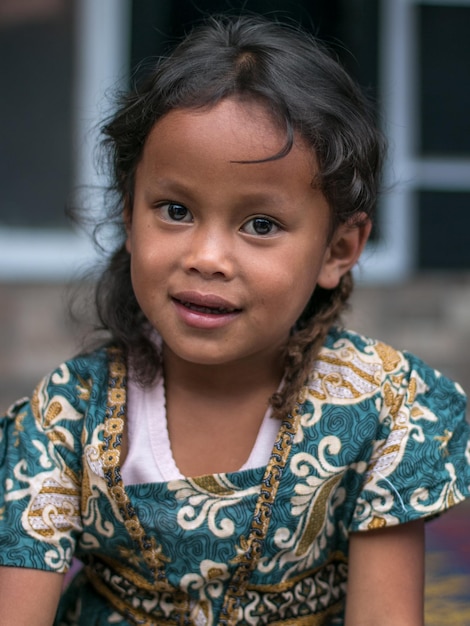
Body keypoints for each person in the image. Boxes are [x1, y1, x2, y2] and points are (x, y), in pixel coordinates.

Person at [0, 14, 469, 626]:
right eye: (174, 210)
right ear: (127, 217)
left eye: (261, 225)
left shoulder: (383, 411)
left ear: (339, 250)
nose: (207, 258)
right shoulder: (64, 418)